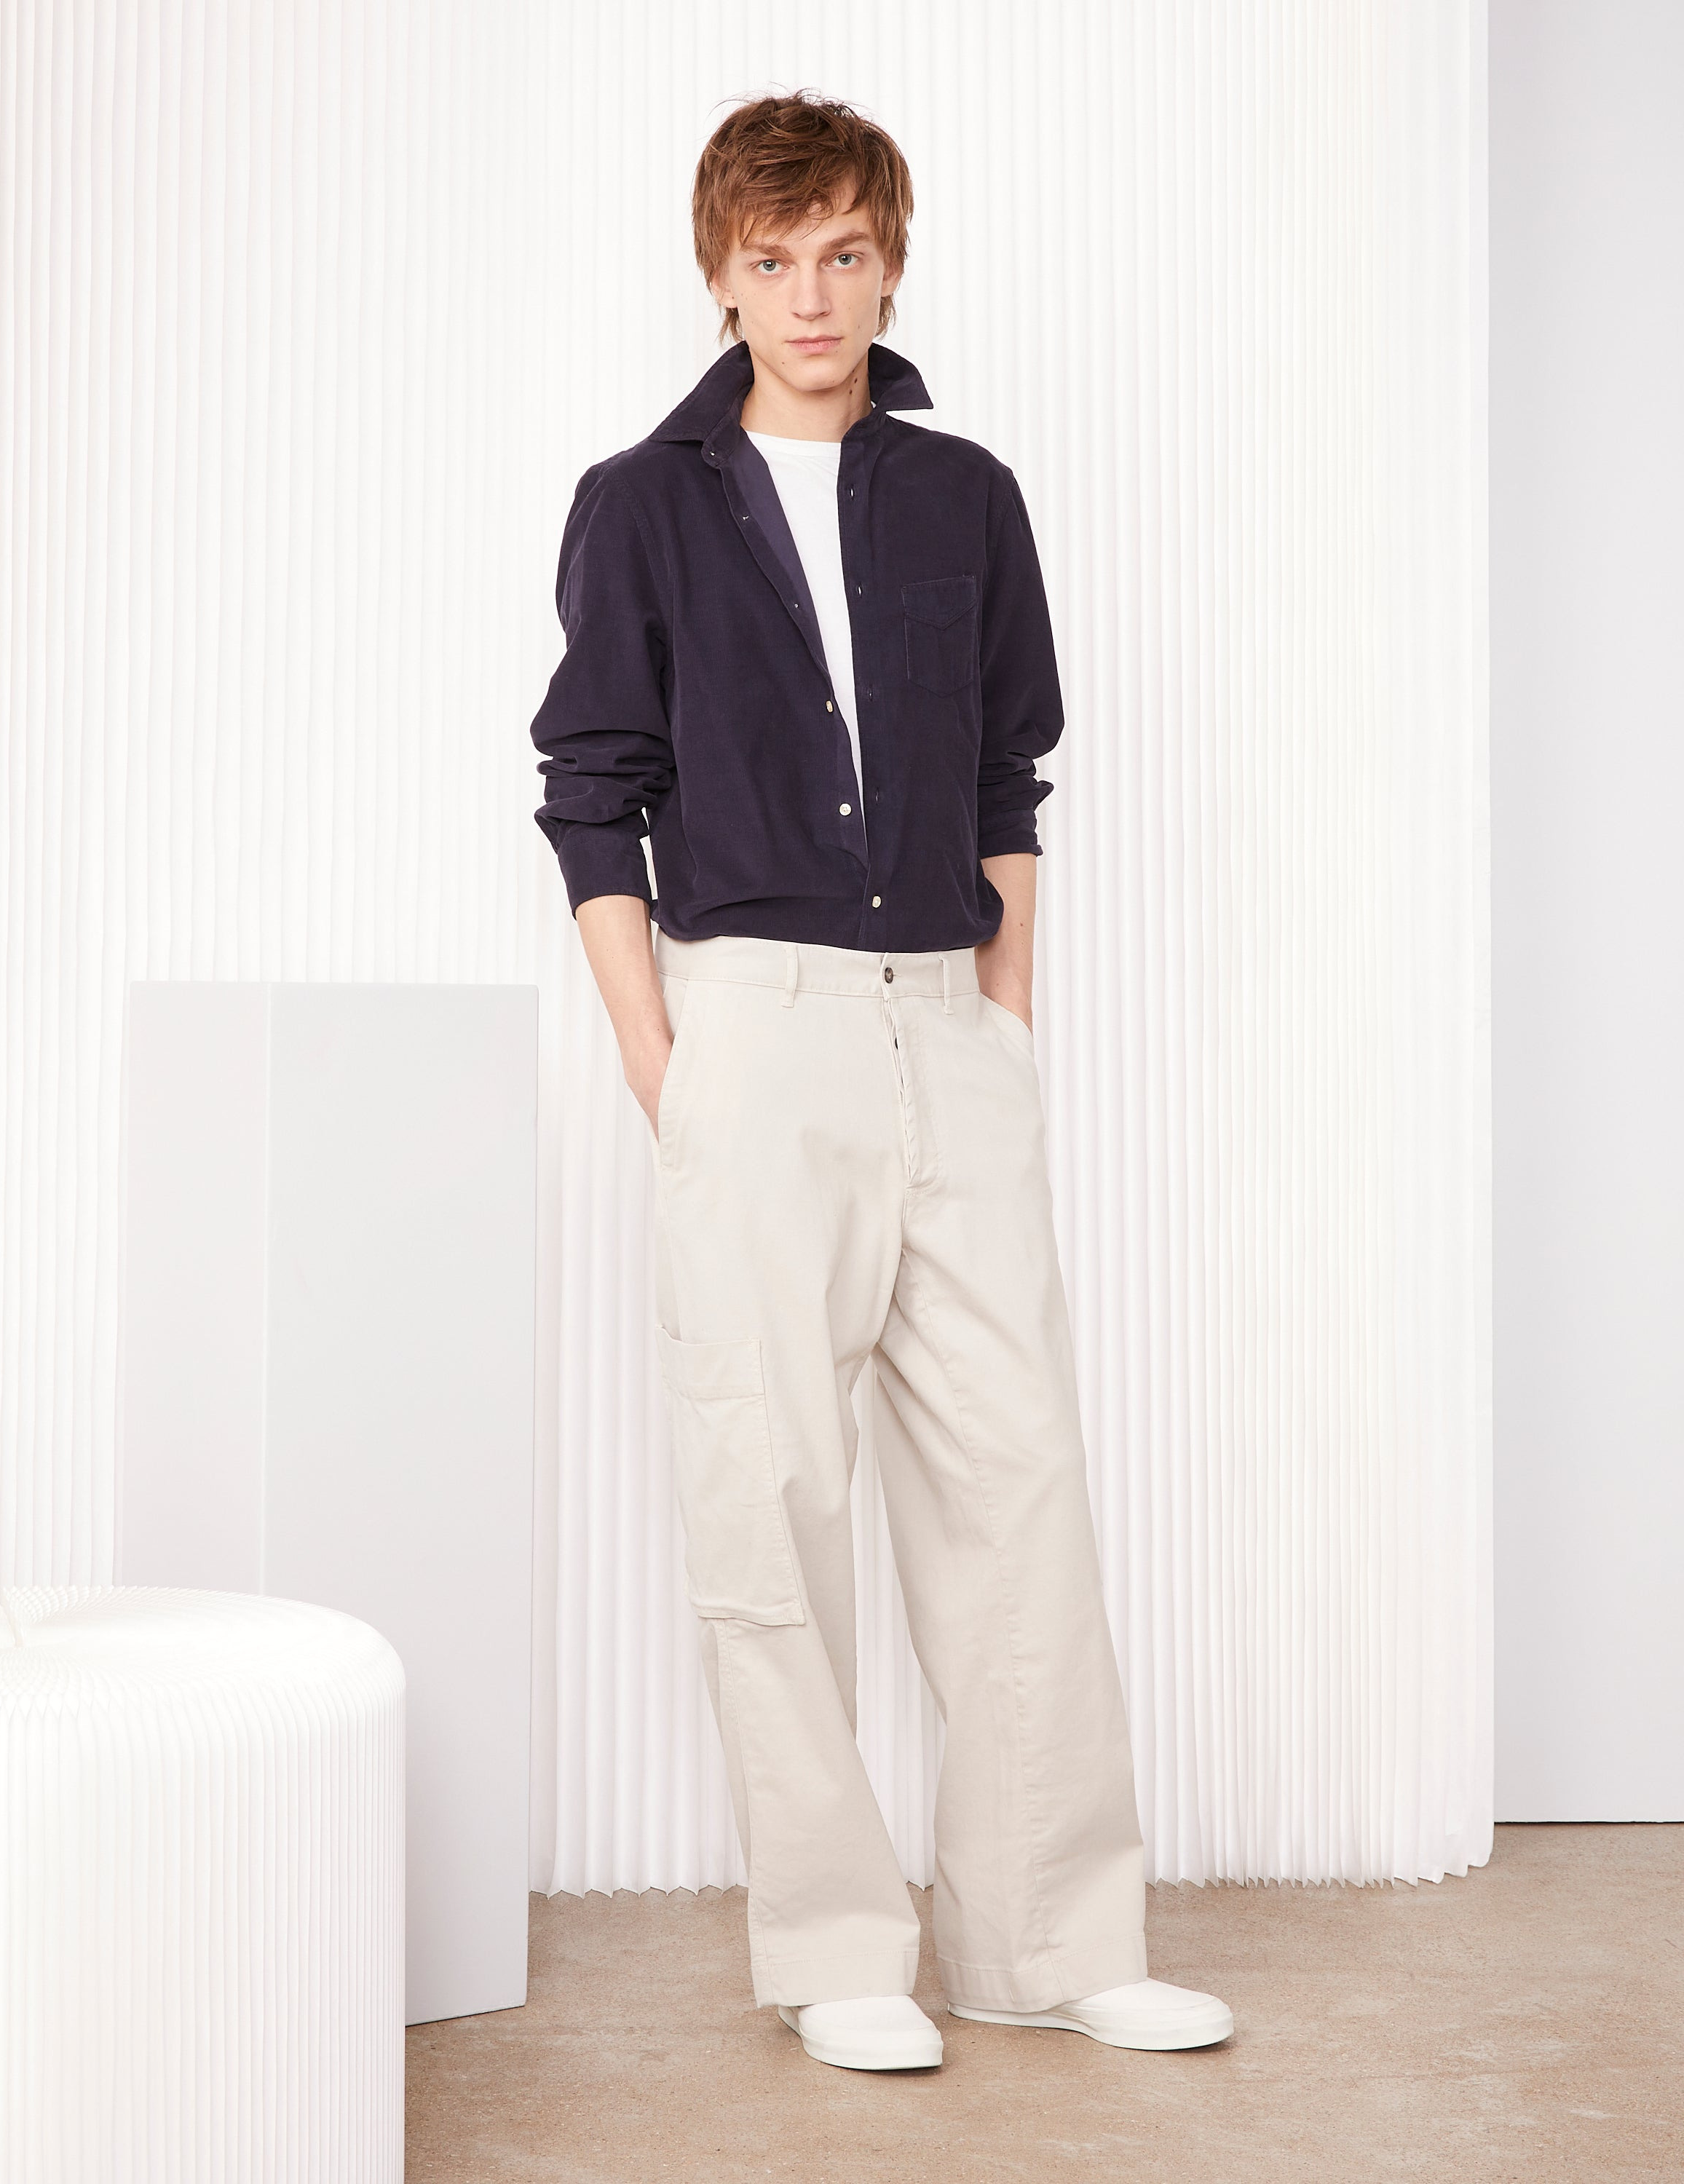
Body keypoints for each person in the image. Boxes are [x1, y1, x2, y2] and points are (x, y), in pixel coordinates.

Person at [529, 89, 1233, 2074]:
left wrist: (1006, 1015)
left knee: (1020, 1487)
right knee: (772, 1491)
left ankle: (1050, 1942)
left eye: (844, 252)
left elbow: (1012, 773)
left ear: (891, 262)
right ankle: (839, 1947)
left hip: (950, 1025)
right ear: (721, 275)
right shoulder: (642, 503)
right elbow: (592, 794)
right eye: (773, 259)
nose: (811, 293)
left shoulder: (964, 495)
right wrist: (664, 1063)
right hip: (751, 1028)